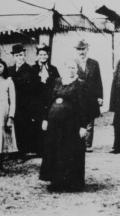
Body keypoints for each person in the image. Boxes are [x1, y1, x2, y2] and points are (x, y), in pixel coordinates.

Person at [40, 59, 88, 191]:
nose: (71, 70)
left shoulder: (80, 84)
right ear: (64, 68)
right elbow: (48, 101)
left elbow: (84, 107)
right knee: (55, 151)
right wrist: (45, 119)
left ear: (77, 69)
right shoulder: (57, 82)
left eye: (73, 68)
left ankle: (71, 183)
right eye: (68, 67)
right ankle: (56, 181)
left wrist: (83, 126)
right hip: (54, 124)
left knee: (69, 152)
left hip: (71, 126)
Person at [8, 43, 37, 156]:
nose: (19, 57)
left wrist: (13, 79)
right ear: (14, 57)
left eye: (21, 55)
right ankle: (12, 152)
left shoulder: (30, 69)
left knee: (23, 127)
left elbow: (27, 82)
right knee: (12, 127)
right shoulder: (9, 69)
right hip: (12, 102)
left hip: (24, 103)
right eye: (17, 55)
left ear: (24, 55)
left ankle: (22, 152)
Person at [74, 39, 103, 152]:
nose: (81, 52)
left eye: (83, 49)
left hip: (91, 97)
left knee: (90, 121)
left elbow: (98, 81)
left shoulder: (94, 63)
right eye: (79, 49)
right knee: (77, 120)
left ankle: (87, 145)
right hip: (77, 96)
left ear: (87, 49)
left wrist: (100, 96)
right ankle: (77, 143)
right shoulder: (73, 62)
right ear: (76, 50)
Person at [32, 44, 60, 154]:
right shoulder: (33, 69)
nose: (43, 56)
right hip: (37, 100)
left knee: (49, 122)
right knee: (38, 122)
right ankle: (38, 149)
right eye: (40, 54)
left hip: (50, 99)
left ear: (48, 55)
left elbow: (58, 83)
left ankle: (48, 149)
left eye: (45, 54)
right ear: (37, 56)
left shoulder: (53, 69)